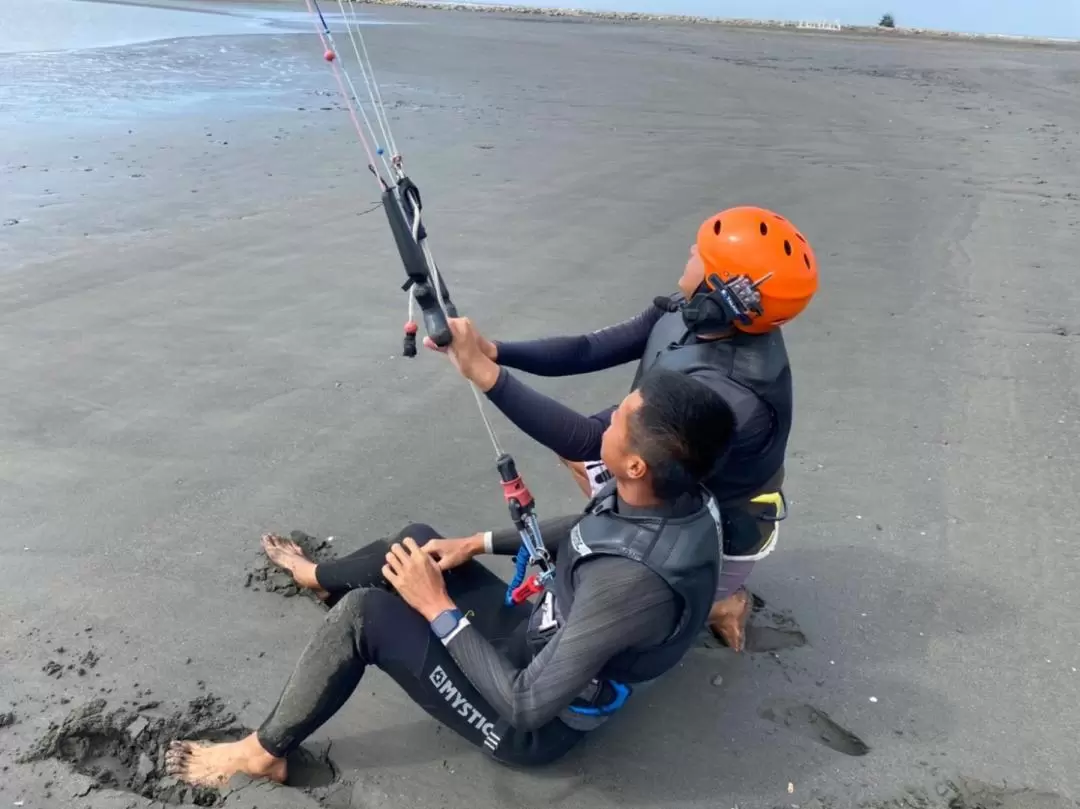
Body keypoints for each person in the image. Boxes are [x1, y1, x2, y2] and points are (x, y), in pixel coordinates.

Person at [166, 368, 735, 787]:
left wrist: (438, 608)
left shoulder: (630, 586)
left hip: (531, 717)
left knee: (365, 616)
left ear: (636, 464)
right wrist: (476, 543)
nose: (606, 419)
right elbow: (595, 529)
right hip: (538, 632)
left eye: (617, 420)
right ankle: (317, 575)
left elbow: (527, 704)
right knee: (417, 542)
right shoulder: (673, 494)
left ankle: (261, 753)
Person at [424, 206, 819, 652]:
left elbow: (592, 437)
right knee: (585, 459)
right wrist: (495, 351)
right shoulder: (700, 315)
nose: (691, 250)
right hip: (671, 475)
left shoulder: (729, 395)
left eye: (703, 255)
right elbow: (588, 349)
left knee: (641, 594)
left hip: (721, 527)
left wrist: (484, 375)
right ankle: (628, 528)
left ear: (725, 294)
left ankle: (720, 602)